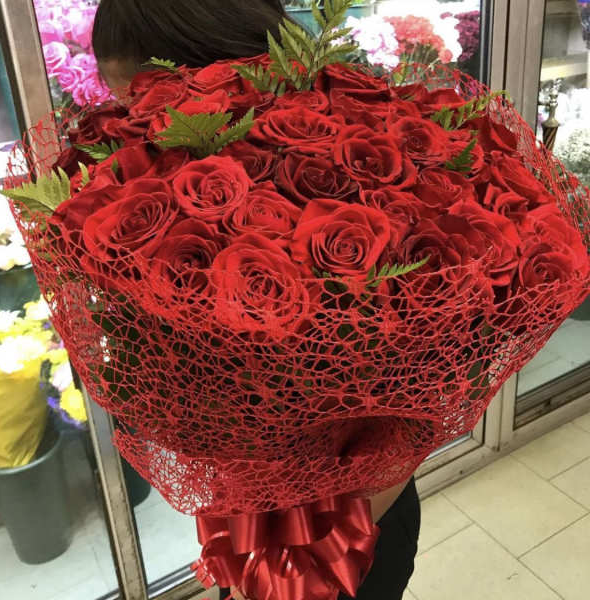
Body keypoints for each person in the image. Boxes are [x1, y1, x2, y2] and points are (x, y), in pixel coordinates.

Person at [92, 2, 422, 599]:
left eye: (145, 102)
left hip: (364, 526)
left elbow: (412, 399)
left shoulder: (358, 174)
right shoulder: (152, 185)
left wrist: (323, 532)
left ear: (225, 75)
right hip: (248, 525)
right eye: (120, 103)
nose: (131, 124)